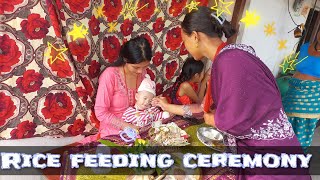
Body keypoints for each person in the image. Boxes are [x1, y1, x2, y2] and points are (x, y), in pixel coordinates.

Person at [152, 6, 310, 179]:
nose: (185, 47)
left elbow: (234, 119)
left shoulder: (229, 61)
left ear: (196, 37)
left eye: (185, 40)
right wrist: (168, 106)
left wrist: (215, 119)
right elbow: (201, 108)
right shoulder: (230, 56)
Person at [80, 36, 152, 143]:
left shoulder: (144, 74)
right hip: (113, 127)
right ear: (125, 60)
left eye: (145, 66)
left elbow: (144, 99)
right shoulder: (110, 75)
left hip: (137, 121)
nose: (140, 71)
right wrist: (125, 126)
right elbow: (101, 112)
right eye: (136, 67)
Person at [282, 30, 320, 149]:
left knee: (299, 132)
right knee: (282, 126)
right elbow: (298, 68)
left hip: (310, 98)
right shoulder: (305, 47)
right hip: (292, 92)